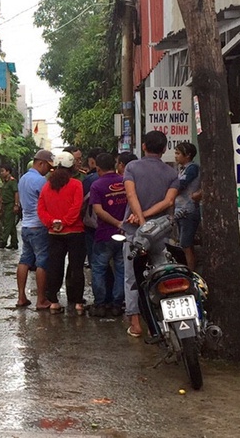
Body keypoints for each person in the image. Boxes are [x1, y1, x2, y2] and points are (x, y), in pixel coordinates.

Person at [122, 130, 179, 337]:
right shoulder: (172, 173)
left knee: (132, 278)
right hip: (161, 233)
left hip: (135, 233)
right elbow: (168, 202)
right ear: (164, 149)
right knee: (162, 275)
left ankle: (136, 325)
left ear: (144, 146)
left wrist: (141, 219)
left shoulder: (131, 167)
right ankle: (166, 320)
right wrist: (147, 219)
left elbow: (131, 195)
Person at [37, 151, 86, 315]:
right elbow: (76, 207)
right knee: (77, 268)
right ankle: (78, 303)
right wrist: (64, 222)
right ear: (71, 167)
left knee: (55, 267)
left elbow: (41, 209)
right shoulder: (76, 185)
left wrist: (53, 223)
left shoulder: (46, 186)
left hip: (54, 234)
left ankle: (54, 302)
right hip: (75, 232)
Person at [88, 152, 127, 317]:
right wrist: (121, 223)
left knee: (98, 269)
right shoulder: (125, 182)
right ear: (115, 164)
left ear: (98, 168)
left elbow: (98, 211)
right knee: (121, 269)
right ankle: (117, 304)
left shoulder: (97, 186)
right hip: (124, 233)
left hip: (104, 235)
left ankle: (101, 304)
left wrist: (115, 223)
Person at [16, 149, 53, 309]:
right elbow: (47, 203)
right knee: (42, 262)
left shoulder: (23, 178)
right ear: (41, 163)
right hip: (39, 226)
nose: (49, 170)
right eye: (48, 167)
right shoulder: (41, 181)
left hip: (26, 226)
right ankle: (41, 300)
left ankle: (21, 297)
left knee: (24, 260)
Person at [174, 142, 201, 270]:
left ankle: (190, 271)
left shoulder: (192, 168)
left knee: (186, 244)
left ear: (188, 155)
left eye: (178, 153)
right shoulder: (182, 169)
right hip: (180, 209)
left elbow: (181, 185)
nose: (176, 156)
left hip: (188, 210)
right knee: (183, 243)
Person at [0, 164, 19, 249]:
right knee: (11, 224)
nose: (1, 173)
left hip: (11, 204)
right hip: (5, 204)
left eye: (3, 171)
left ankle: (3, 241)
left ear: (8, 172)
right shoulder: (5, 181)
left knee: (7, 224)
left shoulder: (12, 181)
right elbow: (3, 193)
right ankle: (14, 242)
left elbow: (16, 193)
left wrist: (16, 205)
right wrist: (0, 204)